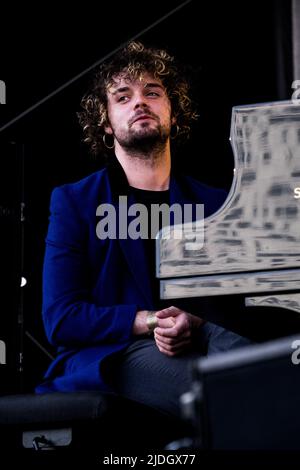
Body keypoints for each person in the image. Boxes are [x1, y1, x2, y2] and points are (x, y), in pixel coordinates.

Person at [36, 41, 251, 419]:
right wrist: (147, 320)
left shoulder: (217, 203)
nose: (139, 102)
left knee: (273, 371)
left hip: (203, 342)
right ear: (105, 121)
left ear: (175, 112)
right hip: (115, 352)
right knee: (229, 396)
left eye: (152, 92)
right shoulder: (74, 201)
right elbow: (61, 318)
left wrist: (194, 319)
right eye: (123, 96)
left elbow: (237, 302)